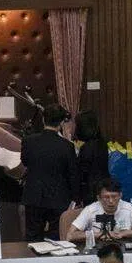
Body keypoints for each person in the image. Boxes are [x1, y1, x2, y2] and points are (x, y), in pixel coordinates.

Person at [22, 103, 79, 241]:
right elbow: (72, 174)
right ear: (61, 123)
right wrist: (76, 197)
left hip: (34, 195)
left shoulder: (29, 141)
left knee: (33, 237)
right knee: (56, 237)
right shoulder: (67, 146)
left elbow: (25, 162)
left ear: (43, 120)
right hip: (58, 197)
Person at [67, 177, 132, 243]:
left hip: (123, 248)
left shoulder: (128, 208)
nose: (111, 201)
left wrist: (123, 233)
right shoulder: (90, 210)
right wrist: (100, 235)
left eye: (114, 196)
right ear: (99, 198)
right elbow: (70, 235)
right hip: (97, 249)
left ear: (120, 196)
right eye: (106, 197)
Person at [74, 110, 110, 205]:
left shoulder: (87, 148)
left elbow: (82, 173)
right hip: (103, 188)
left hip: (91, 192)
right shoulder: (102, 143)